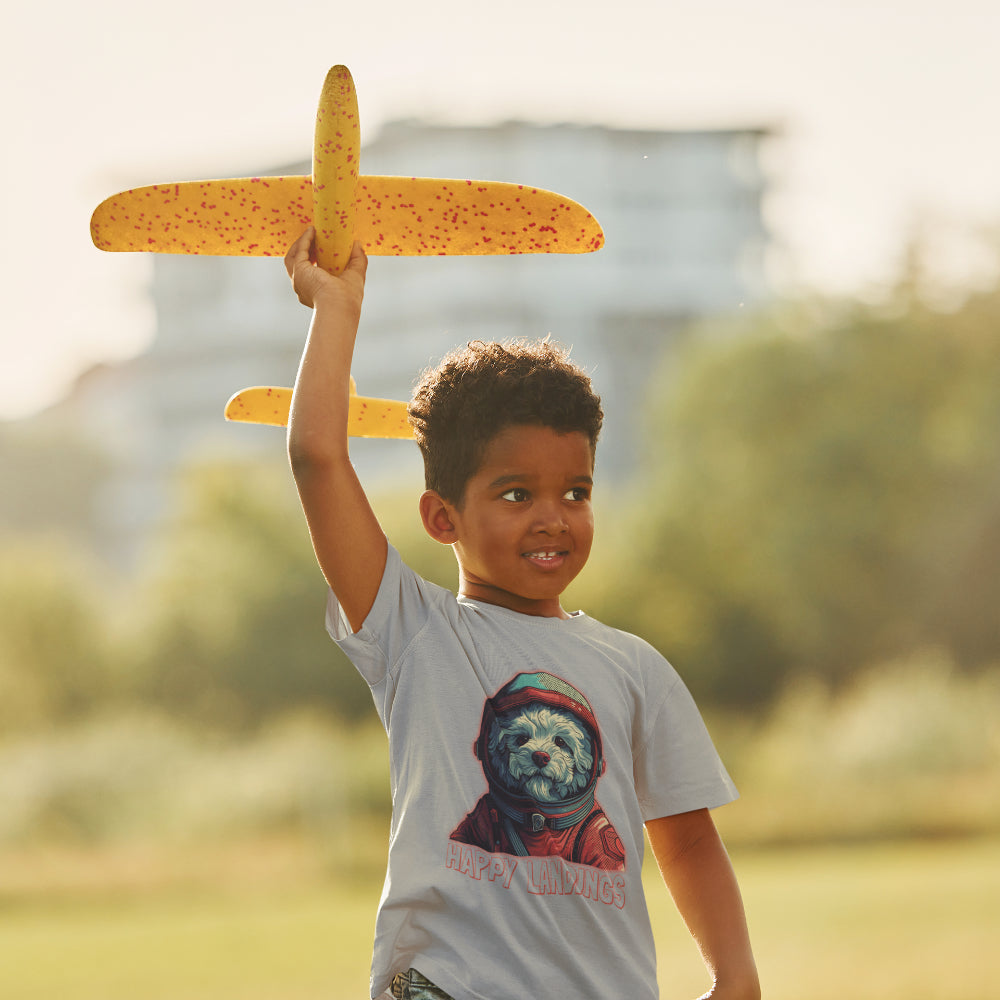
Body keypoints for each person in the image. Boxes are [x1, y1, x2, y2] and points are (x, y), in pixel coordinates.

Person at [284, 227, 760, 1000]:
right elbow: (317, 458)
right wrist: (335, 306)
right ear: (442, 518)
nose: (553, 517)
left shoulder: (634, 667)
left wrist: (735, 976)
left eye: (575, 492)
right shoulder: (414, 632)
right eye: (516, 494)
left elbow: (689, 837)